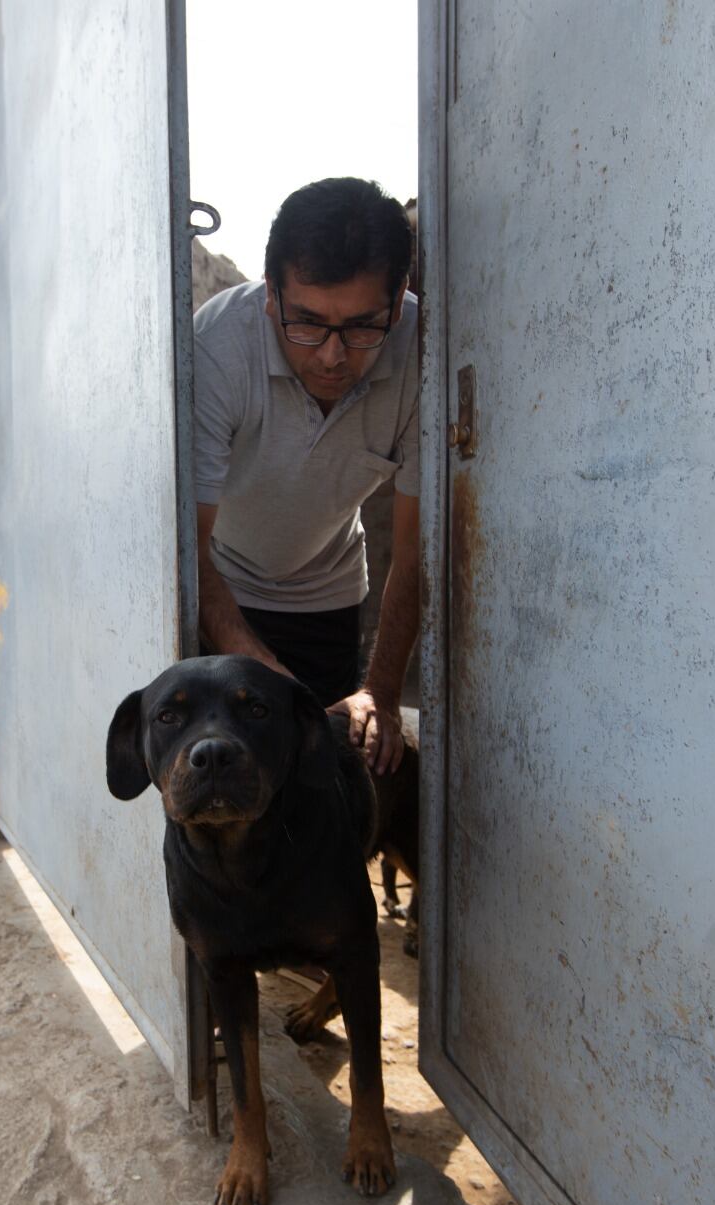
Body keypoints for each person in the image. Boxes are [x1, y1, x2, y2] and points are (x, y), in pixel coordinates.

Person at [193, 178, 418, 774]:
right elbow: (187, 550)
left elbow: (417, 548)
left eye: (363, 326)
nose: (331, 356)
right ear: (271, 294)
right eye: (308, 323)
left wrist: (381, 692)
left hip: (329, 597)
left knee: (325, 783)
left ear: (399, 301)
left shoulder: (425, 352)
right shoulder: (218, 347)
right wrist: (277, 688)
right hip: (220, 589)